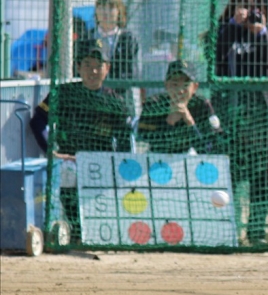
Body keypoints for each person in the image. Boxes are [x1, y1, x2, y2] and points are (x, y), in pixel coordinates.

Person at [30, 39, 132, 241]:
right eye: (87, 65)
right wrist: (51, 151)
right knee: (68, 185)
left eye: (98, 66)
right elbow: (37, 121)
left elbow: (124, 140)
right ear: (78, 67)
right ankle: (74, 232)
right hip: (69, 161)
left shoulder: (116, 101)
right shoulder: (63, 93)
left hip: (101, 164)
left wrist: (117, 165)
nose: (92, 71)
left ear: (107, 68)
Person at [213, 0, 268, 245]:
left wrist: (261, 33)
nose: (248, 10)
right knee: (233, 172)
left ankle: (256, 233)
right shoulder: (224, 31)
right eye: (242, 4)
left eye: (252, 5)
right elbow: (216, 61)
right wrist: (234, 25)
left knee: (262, 175)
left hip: (264, 115)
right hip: (234, 113)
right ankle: (229, 232)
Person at [137, 60, 222, 154]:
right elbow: (144, 139)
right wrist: (169, 122)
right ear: (166, 85)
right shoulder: (154, 104)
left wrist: (190, 121)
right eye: (175, 84)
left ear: (194, 87)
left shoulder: (202, 105)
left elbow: (210, 146)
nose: (180, 91)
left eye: (185, 85)